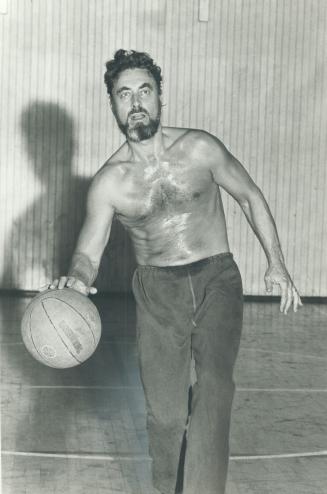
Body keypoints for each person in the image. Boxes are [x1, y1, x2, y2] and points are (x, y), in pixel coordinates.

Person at [47, 50, 302, 494]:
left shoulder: (200, 147)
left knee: (215, 391)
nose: (136, 102)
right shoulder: (110, 182)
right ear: (113, 106)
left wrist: (276, 262)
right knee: (165, 415)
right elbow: (89, 252)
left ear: (160, 97)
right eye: (124, 94)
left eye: (144, 90)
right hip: (157, 289)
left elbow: (250, 196)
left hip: (217, 279)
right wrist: (74, 281)